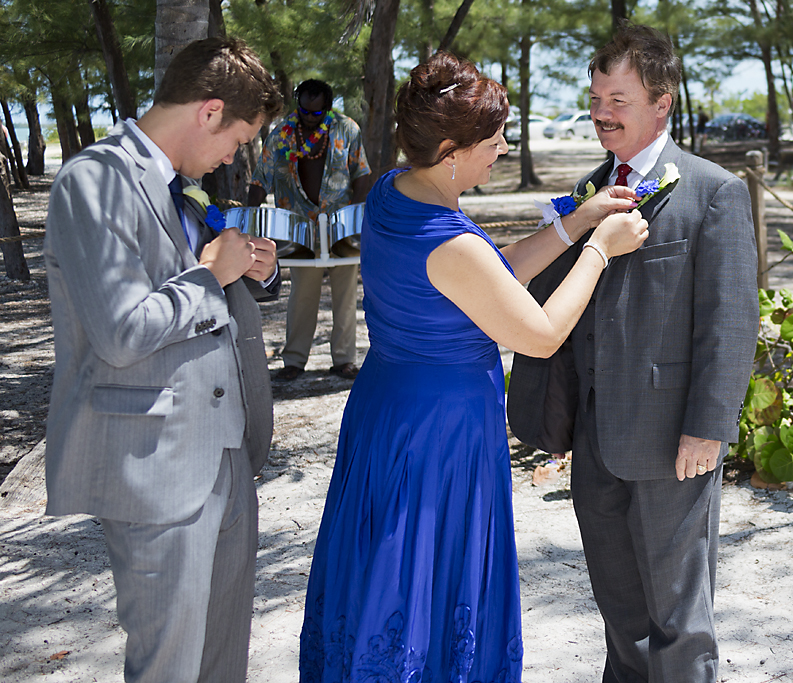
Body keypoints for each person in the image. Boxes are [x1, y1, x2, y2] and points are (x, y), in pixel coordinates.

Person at [298, 51, 648, 682]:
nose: (504, 149)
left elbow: (488, 278)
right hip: (440, 432)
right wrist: (598, 250)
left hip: (387, 410)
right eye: (494, 141)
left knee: (386, 566)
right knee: (424, 570)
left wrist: (571, 225)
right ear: (453, 149)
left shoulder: (389, 191)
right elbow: (538, 334)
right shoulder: (448, 238)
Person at [507, 24, 759, 683]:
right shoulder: (586, 192)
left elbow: (730, 321)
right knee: (621, 619)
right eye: (595, 98)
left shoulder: (714, 192)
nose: (600, 113)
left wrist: (709, 425)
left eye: (618, 99)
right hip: (595, 443)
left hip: (672, 442)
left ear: (662, 102)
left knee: (678, 621)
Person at [42, 37, 283, 683]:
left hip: (226, 454)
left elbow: (201, 283)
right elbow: (121, 330)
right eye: (237, 139)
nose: (234, 154)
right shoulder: (93, 179)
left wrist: (252, 268)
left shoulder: (183, 188)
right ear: (209, 111)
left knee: (220, 658)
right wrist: (209, 277)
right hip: (156, 467)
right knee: (169, 668)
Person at [248, 79, 371, 381]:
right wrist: (249, 219)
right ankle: (294, 360)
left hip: (340, 224)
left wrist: (359, 218)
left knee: (345, 293)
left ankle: (344, 359)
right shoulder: (280, 134)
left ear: (327, 109)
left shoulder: (346, 129)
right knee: (302, 294)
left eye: (317, 113)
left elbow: (362, 174)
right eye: (304, 110)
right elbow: (260, 179)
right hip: (299, 226)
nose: (309, 117)